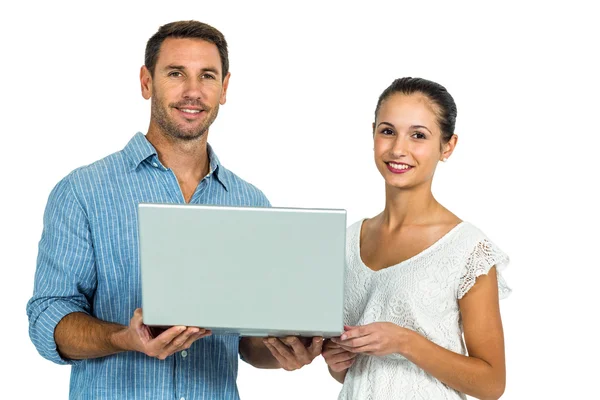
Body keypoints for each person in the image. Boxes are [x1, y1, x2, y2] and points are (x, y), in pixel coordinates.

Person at [26, 20, 322, 399]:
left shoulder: (250, 203)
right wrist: (125, 338)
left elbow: (248, 340)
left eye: (207, 76)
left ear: (225, 88)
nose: (193, 92)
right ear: (146, 82)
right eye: (176, 73)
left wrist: (285, 352)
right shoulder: (83, 191)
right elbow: (48, 319)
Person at [321, 77, 511, 400]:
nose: (398, 149)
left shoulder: (465, 249)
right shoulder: (349, 241)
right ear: (373, 134)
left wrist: (405, 342)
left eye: (418, 135)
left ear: (447, 146)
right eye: (387, 131)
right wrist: (337, 361)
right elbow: (353, 373)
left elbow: (492, 383)